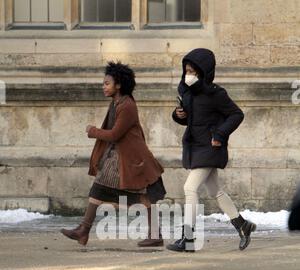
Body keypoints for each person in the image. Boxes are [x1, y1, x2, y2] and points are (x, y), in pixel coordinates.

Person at [61, 61, 166, 248]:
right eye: (103, 83)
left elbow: (114, 134)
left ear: (118, 85)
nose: (103, 87)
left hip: (134, 159)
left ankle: (84, 230)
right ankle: (83, 231)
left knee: (140, 195)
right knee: (104, 188)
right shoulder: (116, 103)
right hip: (121, 156)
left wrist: (92, 130)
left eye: (107, 83)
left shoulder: (127, 106)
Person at [167, 48, 256, 253]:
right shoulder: (187, 92)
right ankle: (243, 225)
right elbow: (192, 119)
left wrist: (220, 134)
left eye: (193, 71)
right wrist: (178, 115)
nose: (188, 75)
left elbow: (236, 115)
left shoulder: (216, 93)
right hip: (195, 146)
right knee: (216, 191)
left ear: (203, 72)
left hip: (210, 147)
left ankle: (188, 238)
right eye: (186, 70)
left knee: (190, 188)